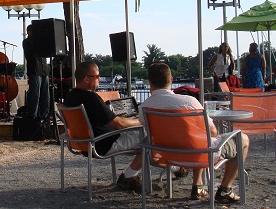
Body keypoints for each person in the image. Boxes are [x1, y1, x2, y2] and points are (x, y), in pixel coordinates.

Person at [139, 63, 249, 203]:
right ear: (171, 79)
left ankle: (197, 186)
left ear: (150, 81)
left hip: (167, 156)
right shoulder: (189, 102)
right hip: (198, 155)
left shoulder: (144, 107)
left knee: (197, 139)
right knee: (242, 139)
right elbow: (213, 131)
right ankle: (225, 190)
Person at [63, 62, 143, 193]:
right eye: (97, 76)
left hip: (83, 145)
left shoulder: (70, 97)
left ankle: (175, 168)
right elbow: (118, 124)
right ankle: (128, 177)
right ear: (86, 79)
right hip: (103, 144)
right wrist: (140, 121)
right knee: (150, 139)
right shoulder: (91, 98)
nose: (100, 79)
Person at [23, 24, 50, 119]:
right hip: (34, 70)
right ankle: (32, 115)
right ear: (29, 32)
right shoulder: (27, 42)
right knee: (35, 94)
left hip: (43, 70)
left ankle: (44, 115)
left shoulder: (40, 41)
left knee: (45, 94)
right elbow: (31, 54)